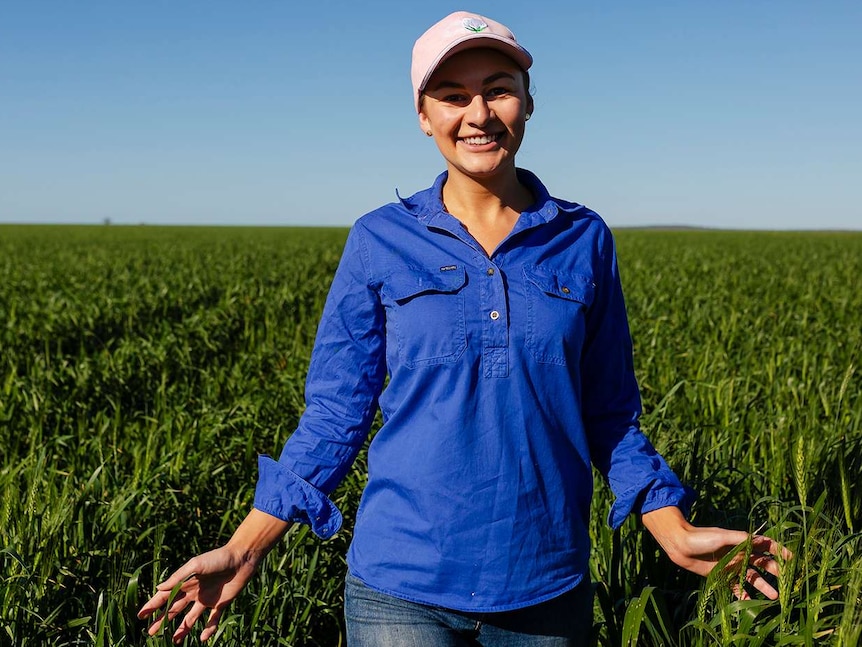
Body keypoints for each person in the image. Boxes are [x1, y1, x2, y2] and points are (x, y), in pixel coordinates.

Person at [138, 11, 789, 646]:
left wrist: (671, 529)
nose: (477, 114)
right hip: (400, 589)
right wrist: (245, 546)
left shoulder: (583, 239)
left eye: (498, 89)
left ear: (528, 103)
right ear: (424, 116)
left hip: (547, 586)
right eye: (453, 96)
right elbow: (336, 415)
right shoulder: (378, 241)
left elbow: (610, 411)